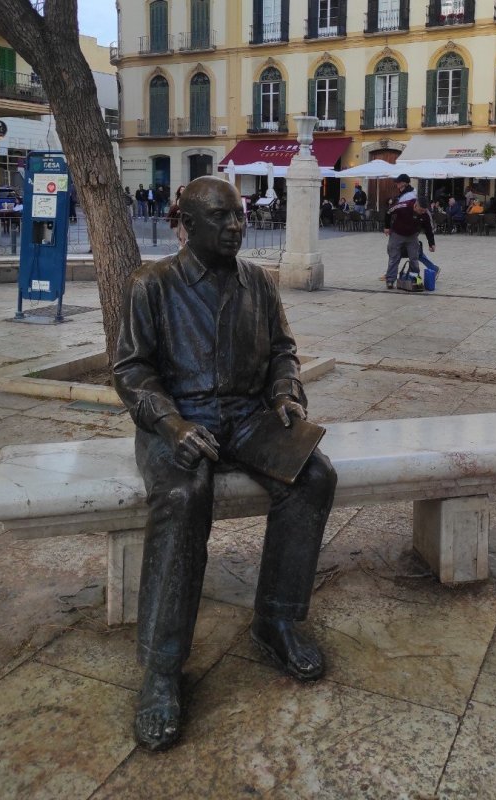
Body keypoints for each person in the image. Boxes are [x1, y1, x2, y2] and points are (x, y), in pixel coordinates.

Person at [113, 176, 337, 753]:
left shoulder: (257, 284)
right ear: (187, 223)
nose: (238, 224)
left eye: (239, 215)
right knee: (185, 498)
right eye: (223, 217)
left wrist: (287, 393)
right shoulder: (152, 285)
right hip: (178, 421)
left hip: (246, 416)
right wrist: (171, 425)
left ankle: (277, 620)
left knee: (314, 476)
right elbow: (132, 372)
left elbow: (283, 351)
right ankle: (163, 667)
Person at [383, 174, 435, 290]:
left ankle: (414, 280)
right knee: (394, 258)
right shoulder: (403, 205)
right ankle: (390, 280)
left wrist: (431, 243)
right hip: (397, 234)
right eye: (420, 210)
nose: (422, 212)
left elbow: (428, 228)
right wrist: (387, 227)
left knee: (414, 259)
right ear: (415, 205)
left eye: (424, 211)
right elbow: (388, 212)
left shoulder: (425, 214)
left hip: (412, 236)